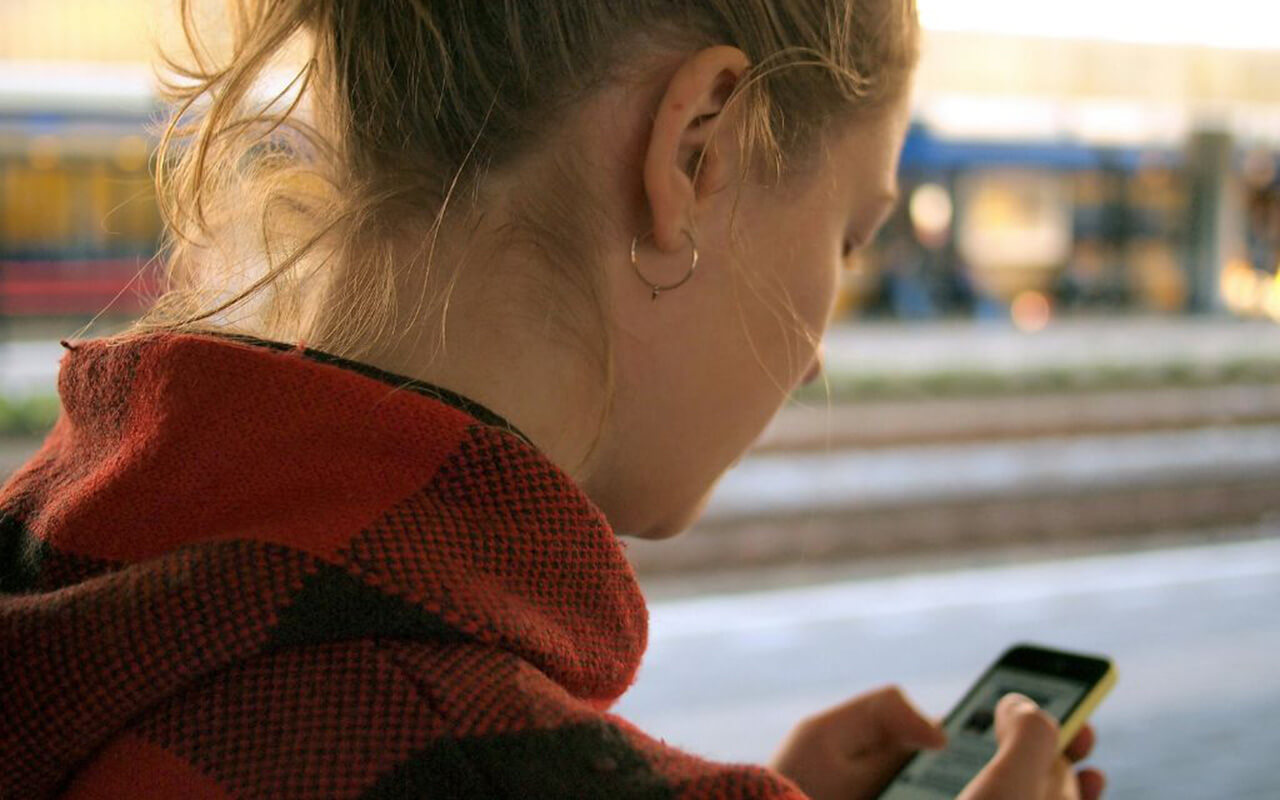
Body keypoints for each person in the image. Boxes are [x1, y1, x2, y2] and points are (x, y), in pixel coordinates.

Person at [0, 1, 1104, 797]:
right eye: (847, 237)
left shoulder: (69, 567)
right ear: (696, 145)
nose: (814, 352)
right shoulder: (464, 746)